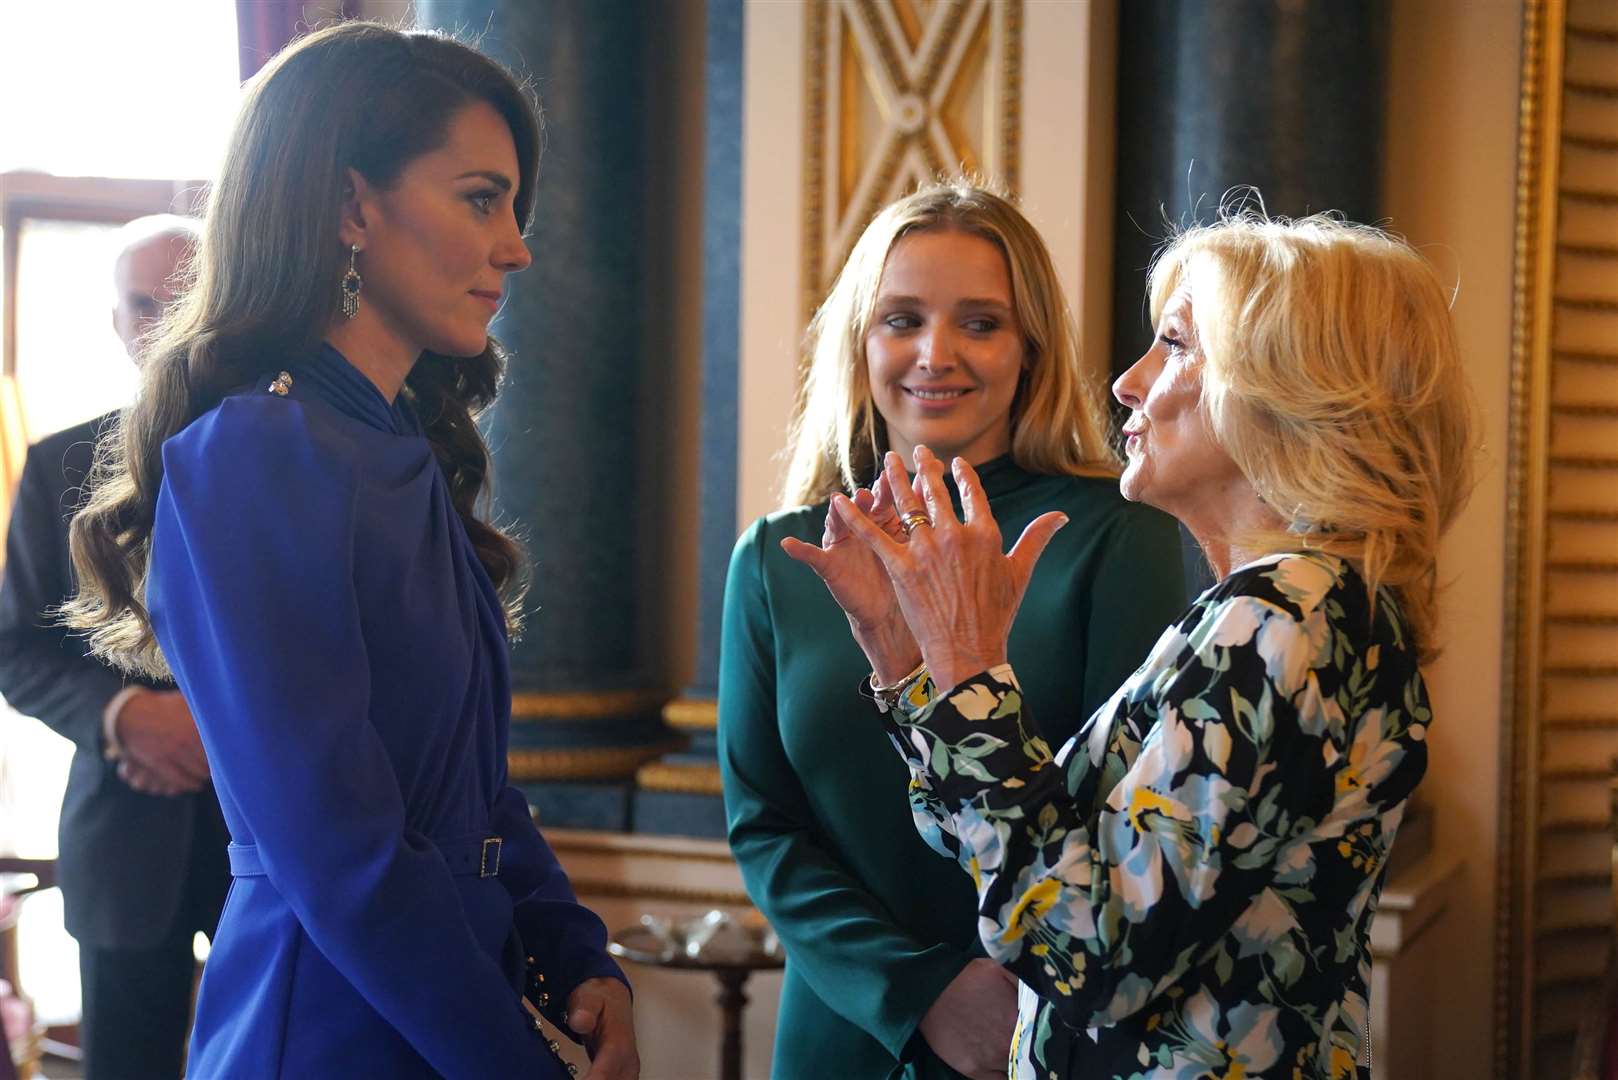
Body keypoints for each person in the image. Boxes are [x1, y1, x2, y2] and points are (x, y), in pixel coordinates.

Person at [61, 23, 637, 1079]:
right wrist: (515, 1060)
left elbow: (472, 794)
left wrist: (573, 950)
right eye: (479, 198)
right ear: (349, 207)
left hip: (439, 1006)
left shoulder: (395, 447)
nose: (515, 244)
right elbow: (340, 850)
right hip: (328, 1024)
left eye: (513, 205)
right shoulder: (257, 456)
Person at [795, 210, 1475, 1077]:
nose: (1126, 381)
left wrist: (968, 663)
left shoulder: (1282, 619)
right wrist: (912, 659)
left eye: (1176, 343)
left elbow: (1091, 955)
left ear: (1283, 384)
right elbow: (996, 841)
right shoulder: (1291, 611)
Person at [718, 180, 1187, 1080]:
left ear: (1031, 349)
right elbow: (765, 829)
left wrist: (1002, 992)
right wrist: (919, 990)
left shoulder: (1113, 532)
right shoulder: (776, 555)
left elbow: (1124, 815)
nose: (936, 353)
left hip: (1045, 1027)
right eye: (902, 319)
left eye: (980, 323)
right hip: (842, 1035)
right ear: (861, 341)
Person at [0, 215, 230, 1080]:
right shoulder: (59, 465)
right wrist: (127, 718)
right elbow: (14, 646)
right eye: (142, 305)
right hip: (124, 841)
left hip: (273, 833)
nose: (162, 323)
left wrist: (216, 728)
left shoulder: (288, 457)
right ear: (117, 322)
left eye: (180, 297)